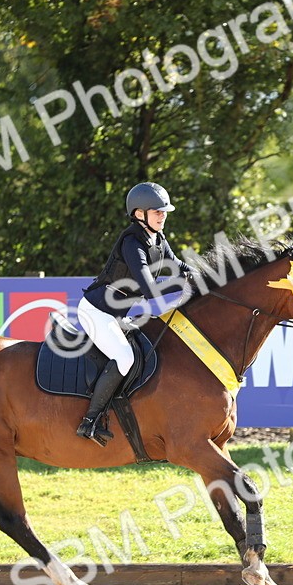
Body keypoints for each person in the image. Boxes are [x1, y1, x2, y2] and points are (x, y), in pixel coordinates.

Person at [76, 182, 194, 442]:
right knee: (125, 359)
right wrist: (181, 285)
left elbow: (175, 265)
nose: (163, 215)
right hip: (98, 311)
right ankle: (89, 421)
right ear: (139, 214)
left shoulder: (157, 238)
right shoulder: (132, 243)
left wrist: (198, 275)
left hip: (119, 312)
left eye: (164, 211)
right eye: (157, 211)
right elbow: (149, 289)